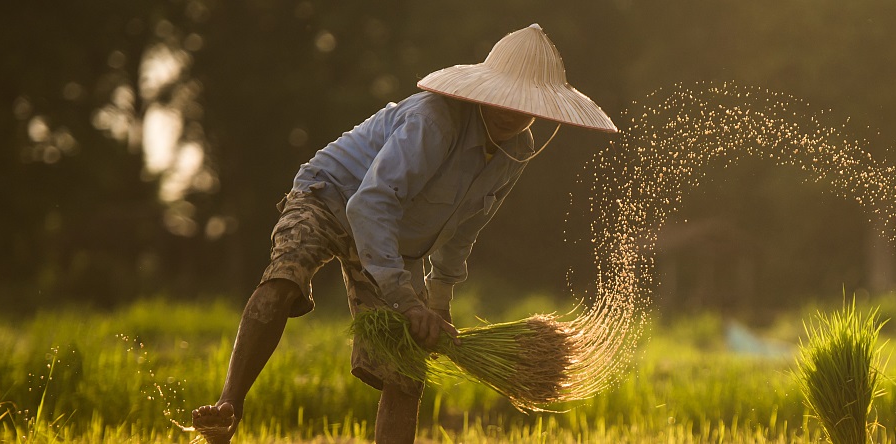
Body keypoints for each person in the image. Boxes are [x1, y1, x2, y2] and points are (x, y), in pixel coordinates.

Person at [188, 24, 618, 444]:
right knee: (285, 278)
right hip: (331, 196)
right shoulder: (435, 122)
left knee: (407, 371)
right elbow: (369, 205)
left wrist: (438, 305)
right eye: (506, 98)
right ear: (487, 90)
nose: (513, 111)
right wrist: (406, 300)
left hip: (396, 240)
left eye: (526, 104)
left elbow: (466, 227)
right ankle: (228, 407)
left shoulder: (515, 149)